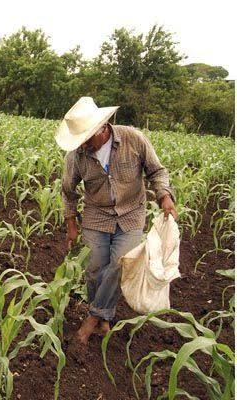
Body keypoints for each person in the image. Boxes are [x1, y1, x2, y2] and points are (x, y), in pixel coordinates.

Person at [56, 97, 178, 344]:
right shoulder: (76, 156)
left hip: (132, 213)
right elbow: (68, 191)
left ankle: (92, 318)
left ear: (102, 128)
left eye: (86, 138)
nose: (83, 145)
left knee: (120, 264)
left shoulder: (133, 139)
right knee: (93, 270)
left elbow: (157, 171)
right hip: (96, 215)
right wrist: (71, 225)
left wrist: (164, 195)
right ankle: (104, 317)